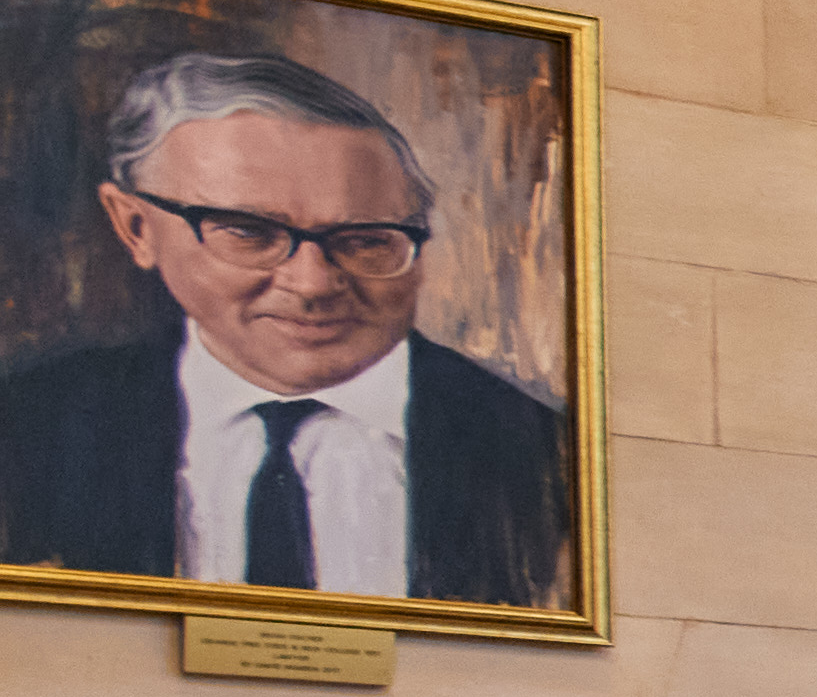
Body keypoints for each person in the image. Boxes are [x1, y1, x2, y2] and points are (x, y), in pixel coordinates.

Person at [0, 46, 582, 610]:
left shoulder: (546, 457)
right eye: (249, 232)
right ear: (136, 227)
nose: (313, 284)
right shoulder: (28, 428)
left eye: (365, 240)